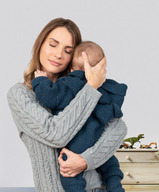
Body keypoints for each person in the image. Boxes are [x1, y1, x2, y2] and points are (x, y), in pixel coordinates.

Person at [7, 18, 127, 192]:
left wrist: (86, 160)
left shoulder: (82, 87)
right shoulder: (20, 94)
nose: (58, 54)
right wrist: (91, 87)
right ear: (40, 45)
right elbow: (56, 134)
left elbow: (119, 127)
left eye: (68, 50)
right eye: (53, 45)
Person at [32, 40, 127, 192]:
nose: (59, 54)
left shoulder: (69, 84)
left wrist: (40, 81)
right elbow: (114, 114)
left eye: (68, 51)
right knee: (111, 163)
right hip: (97, 136)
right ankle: (116, 187)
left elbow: (49, 96)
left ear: (71, 68)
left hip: (75, 144)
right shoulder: (107, 88)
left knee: (69, 175)